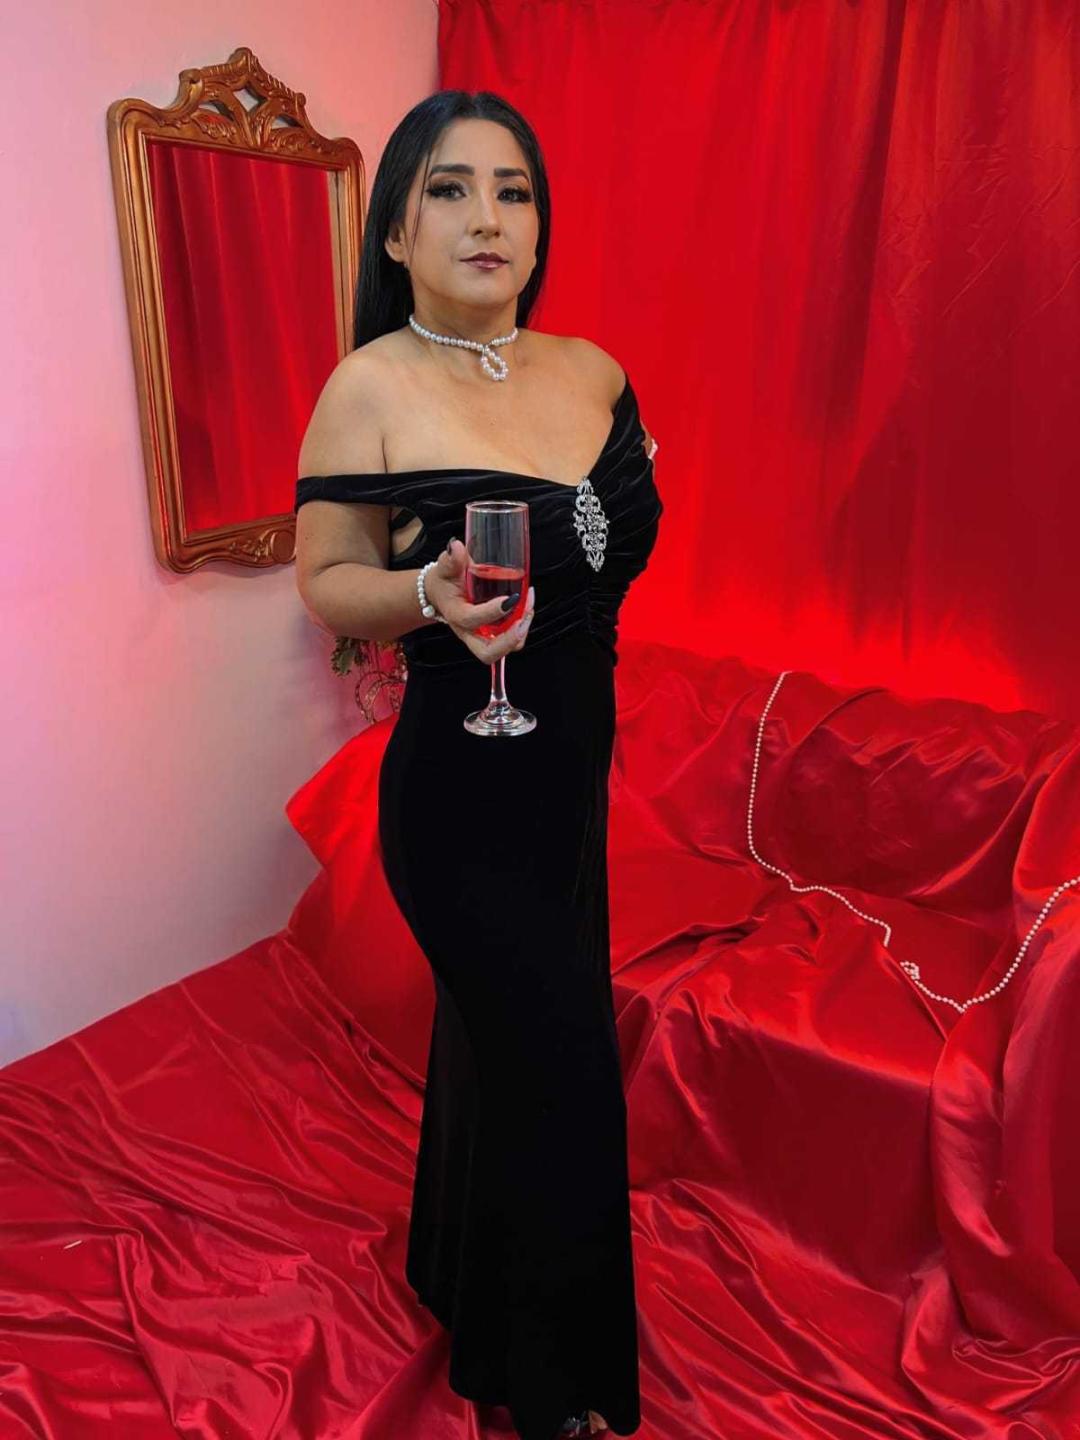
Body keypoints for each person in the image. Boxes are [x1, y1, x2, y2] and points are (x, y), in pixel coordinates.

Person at [293, 89, 662, 1440]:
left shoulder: (598, 372)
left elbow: (608, 554)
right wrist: (424, 597)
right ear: (396, 230)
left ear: (541, 225)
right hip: (459, 795)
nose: (486, 217)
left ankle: (459, 1274)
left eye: (512, 190)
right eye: (448, 190)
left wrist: (617, 500)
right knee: (561, 1070)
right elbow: (327, 582)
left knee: (496, 1056)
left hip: (569, 786)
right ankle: (560, 1392)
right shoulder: (371, 386)